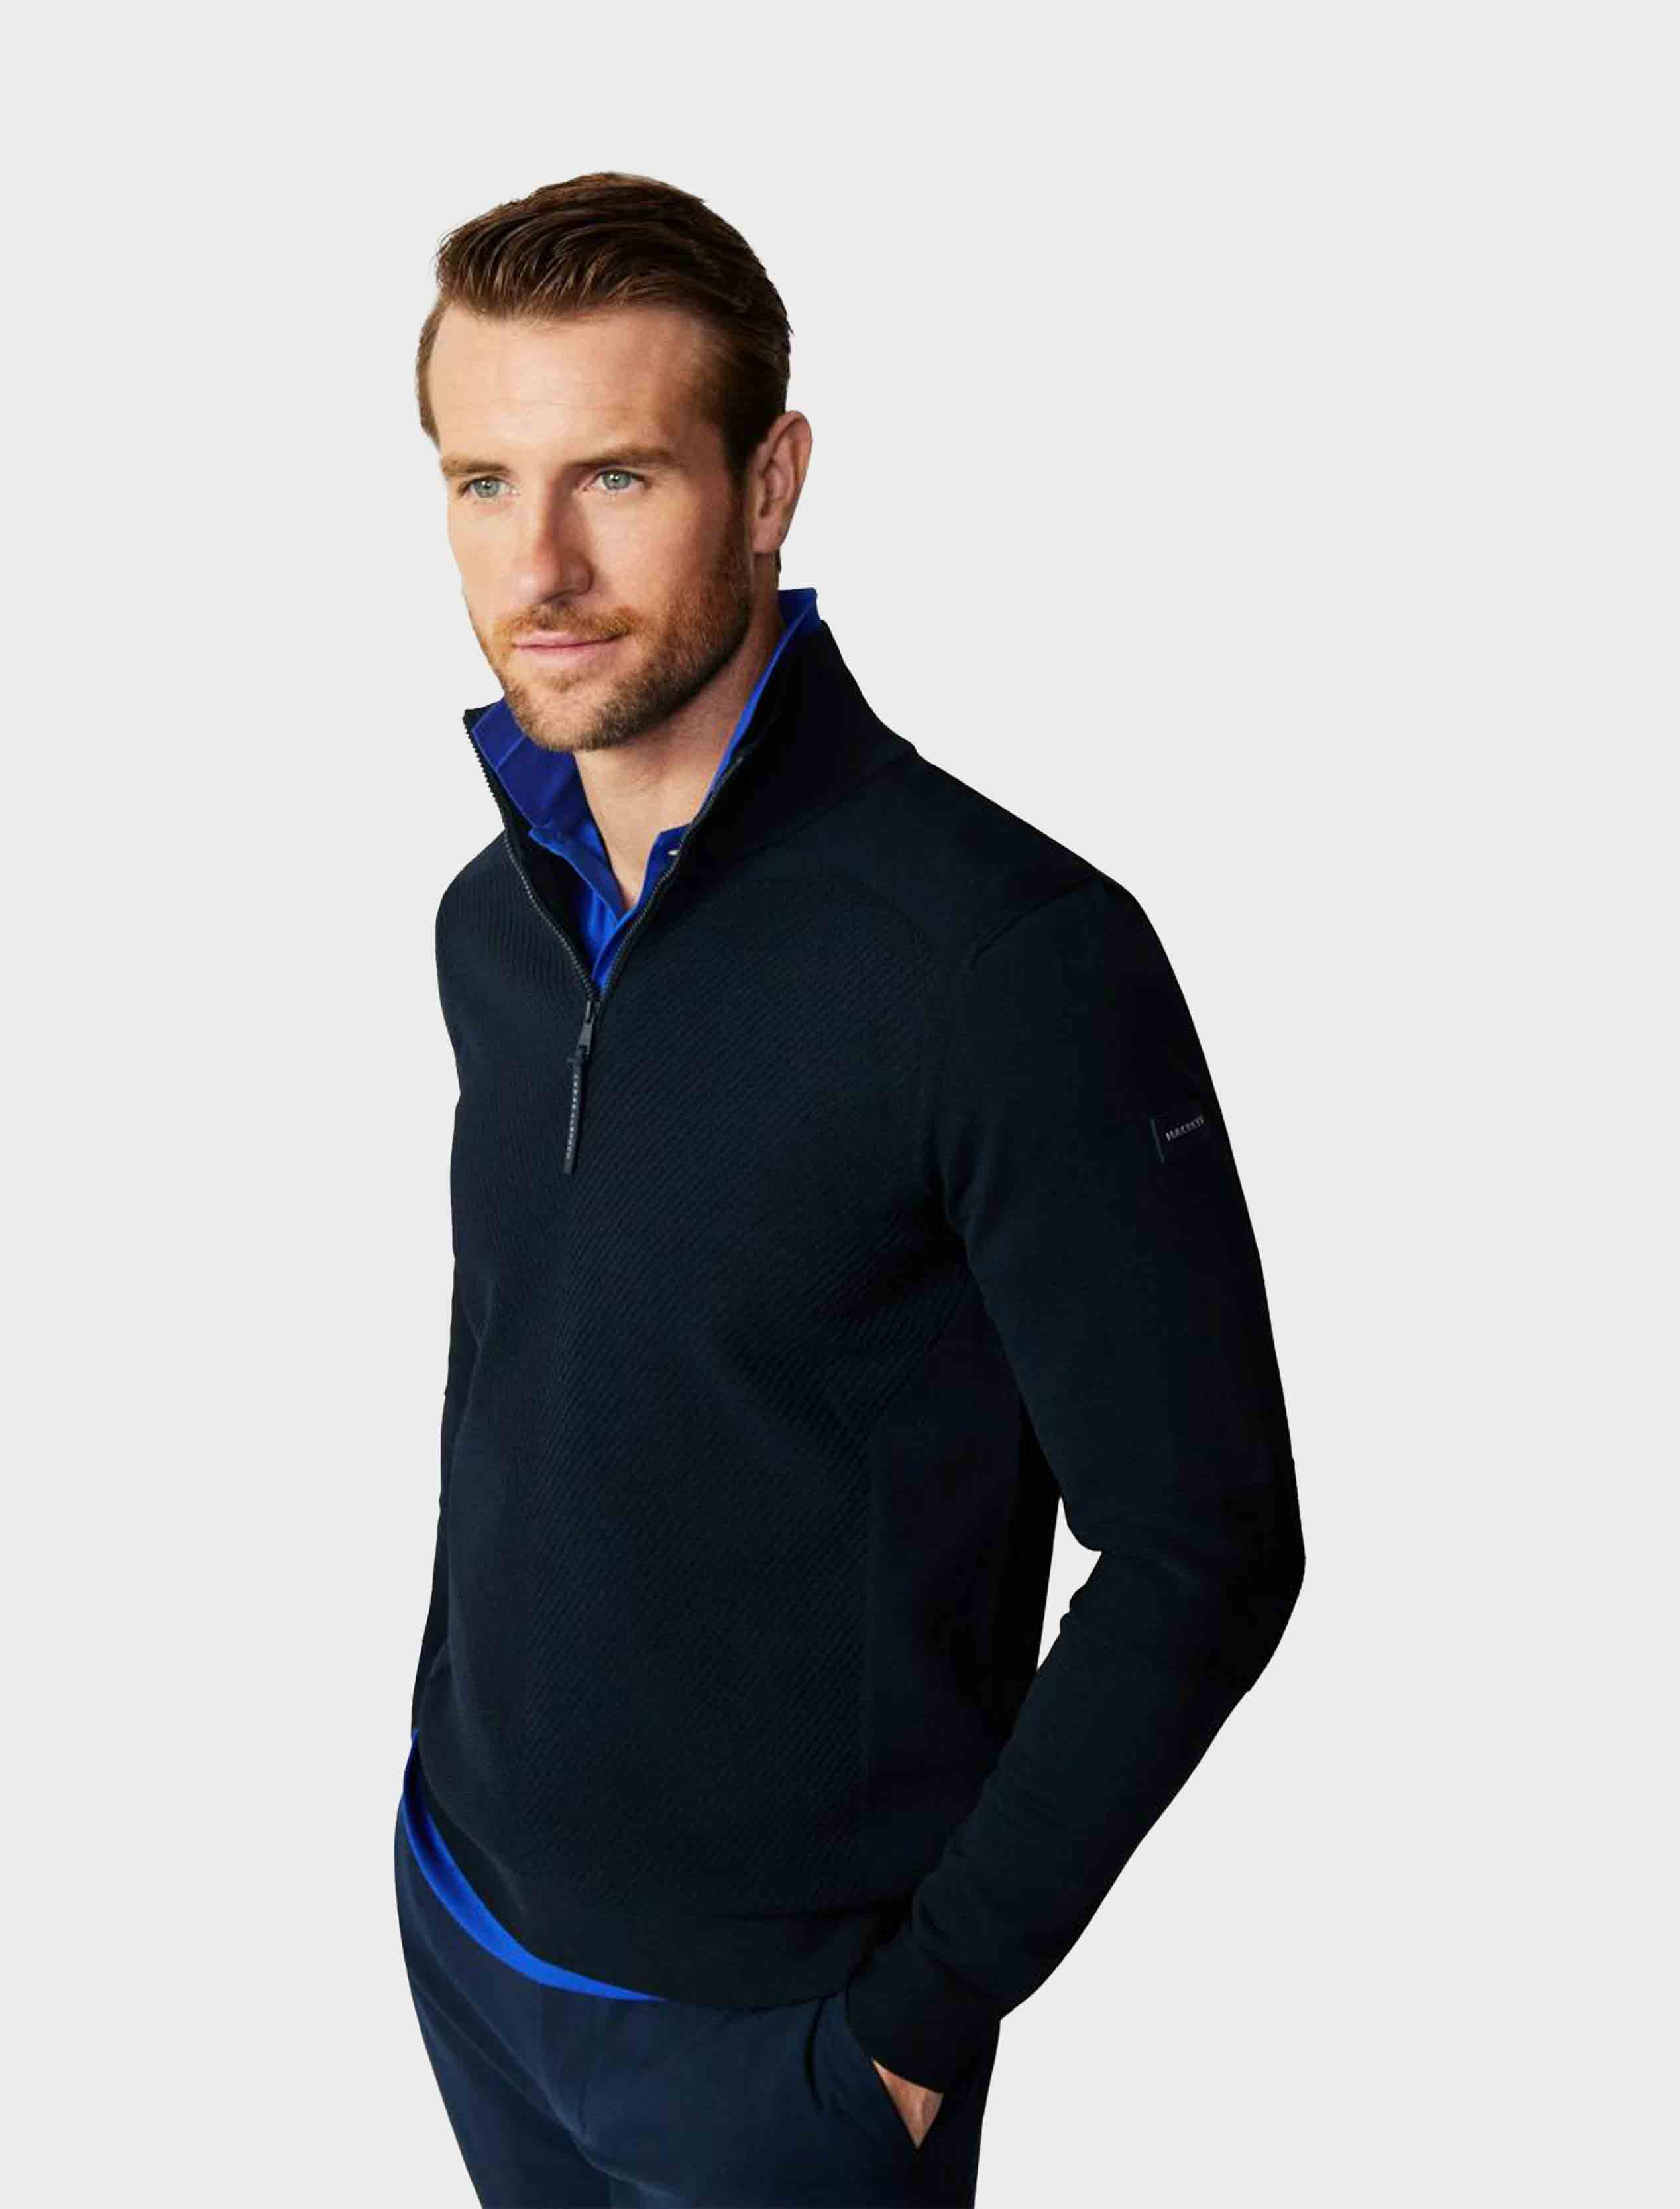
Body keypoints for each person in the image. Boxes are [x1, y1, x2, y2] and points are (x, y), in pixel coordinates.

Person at [396, 169, 1306, 2209]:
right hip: (471, 1932)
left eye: (617, 476)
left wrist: (916, 2022)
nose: (539, 564)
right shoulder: (491, 923)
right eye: (482, 481)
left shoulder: (1006, 961)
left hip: (780, 2055)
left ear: (771, 481)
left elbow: (1208, 1545)